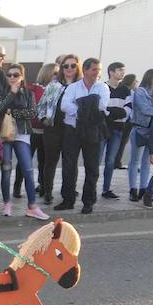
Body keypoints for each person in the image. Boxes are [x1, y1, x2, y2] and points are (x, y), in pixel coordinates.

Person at [55, 58, 109, 214]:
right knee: (69, 166)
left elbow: (102, 106)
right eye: (94, 69)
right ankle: (68, 199)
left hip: (93, 130)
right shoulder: (73, 87)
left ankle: (88, 201)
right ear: (85, 70)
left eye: (99, 70)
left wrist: (80, 104)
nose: (97, 73)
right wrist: (84, 109)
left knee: (92, 167)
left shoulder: (102, 87)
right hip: (73, 130)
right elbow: (65, 105)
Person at [0, 64, 48, 220]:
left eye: (15, 75)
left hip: (22, 135)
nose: (12, 77)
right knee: (6, 170)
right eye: (9, 75)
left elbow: (32, 112)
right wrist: (11, 94)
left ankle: (32, 206)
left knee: (28, 170)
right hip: (5, 135)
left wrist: (12, 112)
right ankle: (7, 203)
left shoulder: (29, 93)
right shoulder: (2, 93)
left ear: (22, 76)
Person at [37, 54, 80, 204]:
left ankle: (68, 192)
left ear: (77, 67)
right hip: (53, 129)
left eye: (72, 65)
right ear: (61, 68)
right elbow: (41, 105)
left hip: (73, 130)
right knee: (50, 162)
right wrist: (43, 119)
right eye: (65, 66)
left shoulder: (81, 86)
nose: (69, 68)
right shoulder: (53, 85)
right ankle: (47, 191)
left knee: (70, 163)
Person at [128, 69, 153, 202]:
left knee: (146, 162)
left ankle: (143, 189)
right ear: (150, 76)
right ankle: (133, 189)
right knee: (135, 161)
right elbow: (145, 109)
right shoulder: (140, 91)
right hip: (140, 129)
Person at [101, 61, 132, 200]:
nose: (122, 73)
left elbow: (127, 111)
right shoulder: (102, 87)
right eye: (119, 70)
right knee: (95, 160)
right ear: (111, 72)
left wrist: (111, 112)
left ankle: (106, 189)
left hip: (118, 130)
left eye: (123, 70)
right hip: (101, 129)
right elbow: (101, 109)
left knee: (110, 161)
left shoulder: (126, 90)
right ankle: (89, 188)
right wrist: (113, 112)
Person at [26, 63, 55, 197]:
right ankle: (17, 187)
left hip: (47, 132)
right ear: (47, 73)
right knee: (26, 161)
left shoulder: (56, 89)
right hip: (32, 130)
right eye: (54, 73)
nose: (57, 76)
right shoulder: (33, 88)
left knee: (44, 161)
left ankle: (43, 186)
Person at [114, 73, 138, 170]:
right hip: (126, 120)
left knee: (122, 142)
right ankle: (117, 162)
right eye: (135, 81)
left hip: (127, 120)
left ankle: (117, 161)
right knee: (121, 142)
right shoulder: (129, 91)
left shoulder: (130, 90)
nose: (136, 83)